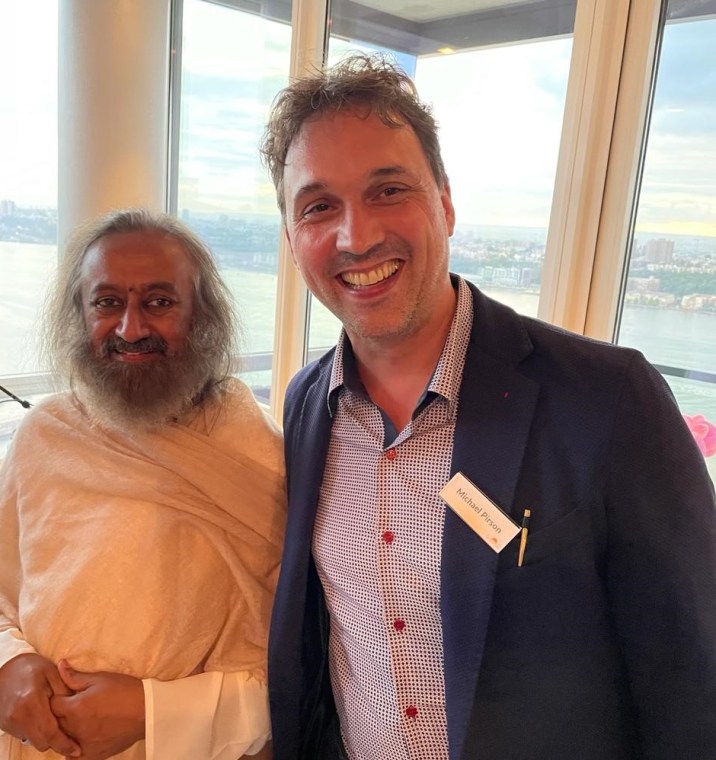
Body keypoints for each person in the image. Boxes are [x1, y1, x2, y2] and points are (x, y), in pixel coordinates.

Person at [260, 53, 716, 759]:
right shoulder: (305, 407)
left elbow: (694, 678)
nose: (357, 237)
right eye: (319, 206)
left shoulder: (607, 399)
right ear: (292, 239)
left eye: (388, 190)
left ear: (445, 203)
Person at [0, 208, 286, 760]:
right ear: (80, 313)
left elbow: (297, 660)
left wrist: (152, 713)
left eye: (159, 302)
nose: (130, 329)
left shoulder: (259, 458)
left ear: (203, 316)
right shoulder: (46, 433)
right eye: (107, 302)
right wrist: (4, 661)